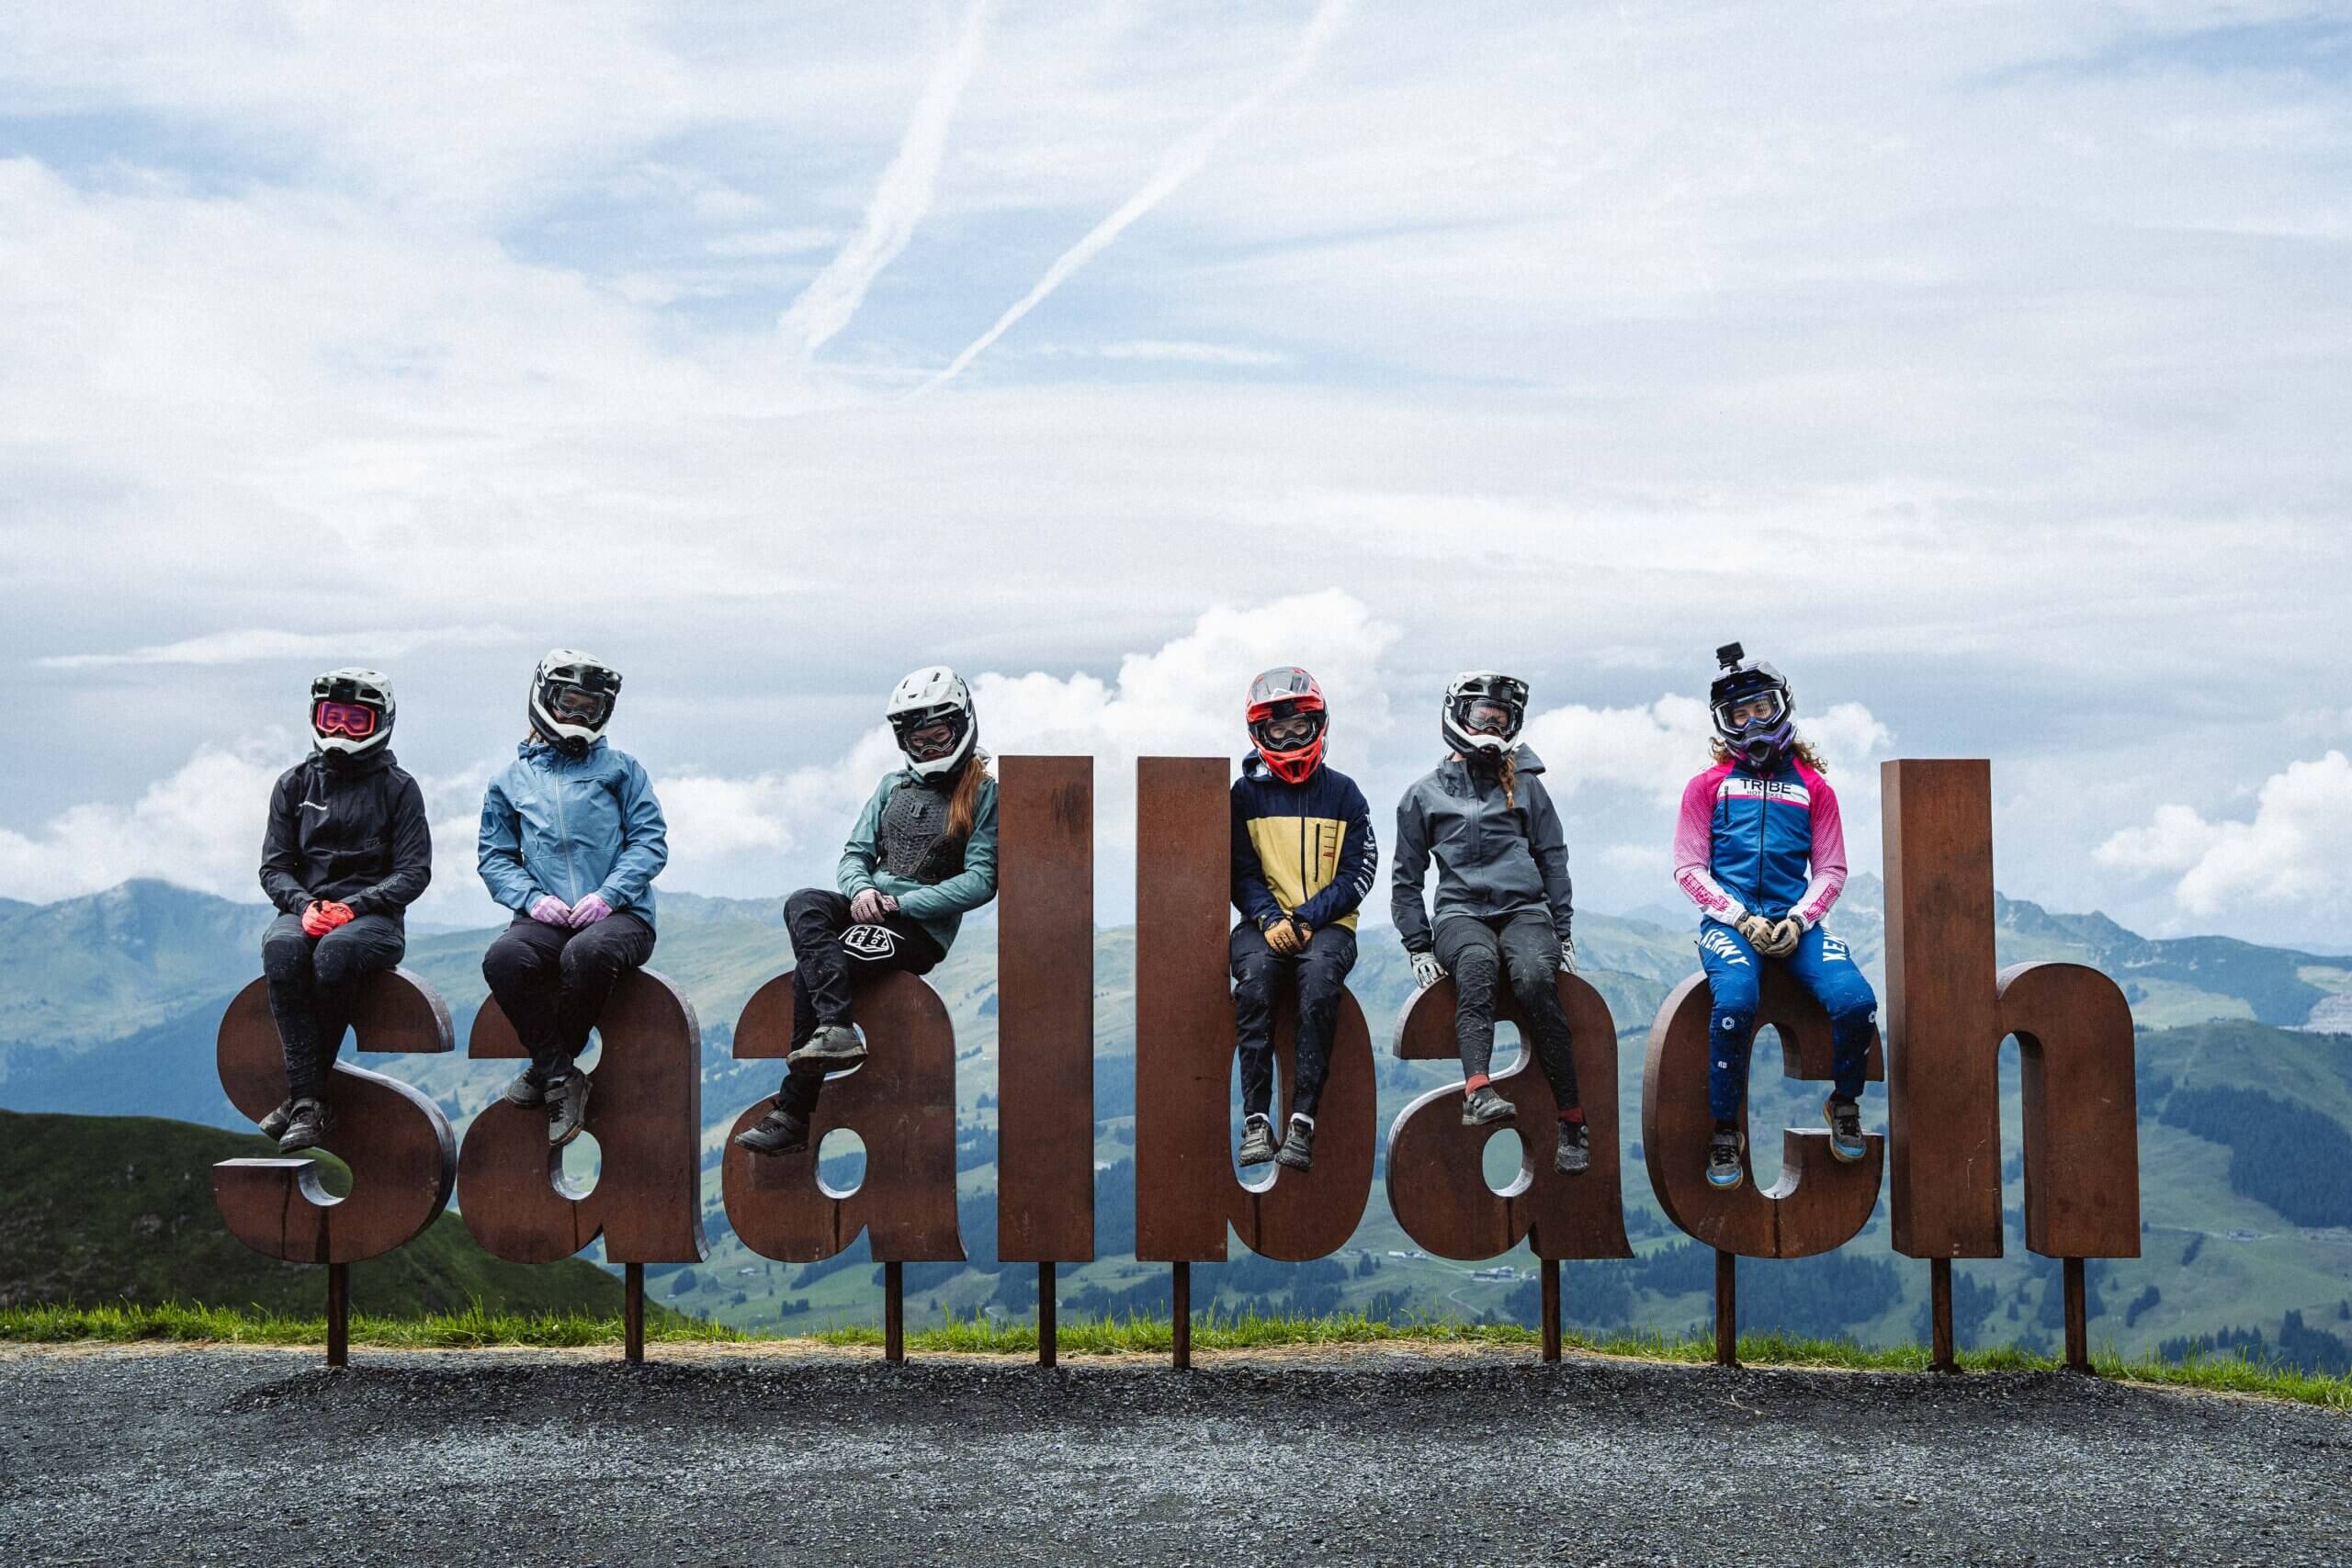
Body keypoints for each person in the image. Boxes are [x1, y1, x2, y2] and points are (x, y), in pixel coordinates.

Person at [736, 667, 999, 1156]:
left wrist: (900, 902)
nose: (929, 749)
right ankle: (835, 1028)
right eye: (918, 741)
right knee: (803, 903)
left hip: (918, 928)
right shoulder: (890, 787)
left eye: (939, 737)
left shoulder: (985, 794)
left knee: (814, 970)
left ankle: (793, 1114)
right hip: (869, 906)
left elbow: (981, 880)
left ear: (962, 726)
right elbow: (855, 853)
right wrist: (860, 891)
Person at [1672, 642, 1877, 1190]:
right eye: (1738, 714)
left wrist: (1800, 921)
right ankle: (1725, 1132)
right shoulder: (1706, 786)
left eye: (1761, 707)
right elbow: (1688, 867)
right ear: (1723, 722)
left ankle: (1845, 1103)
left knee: (1857, 1002)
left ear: (1782, 706)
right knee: (1735, 1002)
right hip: (1730, 925)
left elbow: (1831, 870)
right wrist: (1739, 918)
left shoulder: (1815, 788)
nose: (1753, 723)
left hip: (1795, 924)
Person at [1391, 671, 1588, 1176]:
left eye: (1502, 720)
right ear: (1457, 715)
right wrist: (1418, 945)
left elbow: (1553, 858)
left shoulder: (1528, 786)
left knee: (1536, 979)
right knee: (1476, 966)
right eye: (1482, 717)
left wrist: (1562, 932)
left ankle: (1572, 1120)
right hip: (1459, 913)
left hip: (1526, 911)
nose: (1491, 728)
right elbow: (1406, 878)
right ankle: (1477, 1091)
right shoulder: (1422, 795)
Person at [477, 649, 667, 1149]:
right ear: (544, 699)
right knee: (503, 959)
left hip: (622, 917)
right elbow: (495, 858)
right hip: (543, 917)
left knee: (587, 952)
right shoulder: (507, 782)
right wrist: (531, 899)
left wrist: (609, 896)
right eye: (569, 704)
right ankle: (562, 1075)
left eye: (591, 708)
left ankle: (545, 1071)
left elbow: (649, 843)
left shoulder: (624, 770)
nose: (579, 716)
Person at [254, 669, 432, 1153]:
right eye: (331, 717)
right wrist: (305, 906)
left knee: (335, 954)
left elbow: (414, 872)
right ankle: (308, 1103)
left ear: (381, 722)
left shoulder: (399, 788)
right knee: (280, 949)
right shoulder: (293, 784)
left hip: (375, 921)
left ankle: (303, 1101)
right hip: (305, 911)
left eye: (355, 721)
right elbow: (274, 868)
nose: (340, 730)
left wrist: (353, 907)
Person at [1227, 668, 1376, 1173]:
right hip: (1261, 925)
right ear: (1260, 734)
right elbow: (1238, 871)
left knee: (1317, 987)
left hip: (1330, 927)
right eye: (1278, 730)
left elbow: (1359, 871)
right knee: (1254, 986)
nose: (1291, 739)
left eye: (1299, 728)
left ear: (1319, 726)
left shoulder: (1346, 794)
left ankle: (1302, 1123)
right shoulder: (1243, 796)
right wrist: (1270, 918)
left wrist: (1308, 919)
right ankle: (1255, 1120)